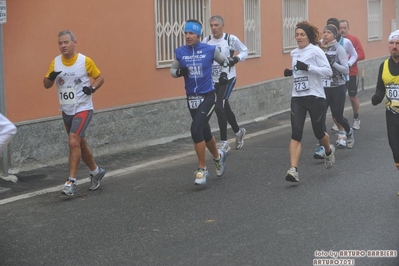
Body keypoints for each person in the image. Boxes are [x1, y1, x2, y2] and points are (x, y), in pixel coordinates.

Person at [43, 30, 106, 196]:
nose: (63, 46)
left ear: (74, 43)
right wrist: (50, 76)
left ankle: (71, 181)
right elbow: (46, 84)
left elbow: (100, 78)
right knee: (80, 144)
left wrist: (91, 88)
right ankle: (96, 171)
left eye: (66, 42)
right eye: (60, 43)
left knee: (73, 142)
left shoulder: (84, 61)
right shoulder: (55, 62)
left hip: (83, 108)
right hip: (66, 109)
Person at [170, 19, 228, 186]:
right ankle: (218, 157)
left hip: (208, 96)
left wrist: (223, 75)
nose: (188, 36)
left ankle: (202, 169)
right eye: (186, 33)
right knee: (204, 131)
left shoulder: (210, 49)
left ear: (198, 35)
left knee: (195, 129)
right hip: (192, 98)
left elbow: (225, 62)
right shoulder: (181, 52)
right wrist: (180, 71)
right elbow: (172, 71)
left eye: (191, 33)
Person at [283, 21, 335, 182]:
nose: (299, 37)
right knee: (296, 133)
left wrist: (308, 67)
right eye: (297, 34)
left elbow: (328, 72)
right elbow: (300, 71)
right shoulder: (293, 53)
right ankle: (293, 170)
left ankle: (328, 150)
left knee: (319, 132)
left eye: (302, 34)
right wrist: (291, 72)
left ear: (308, 36)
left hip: (315, 96)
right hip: (298, 97)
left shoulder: (316, 51)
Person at [202, 15, 248, 153]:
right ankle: (238, 132)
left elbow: (245, 50)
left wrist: (236, 58)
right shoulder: (207, 41)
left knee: (219, 107)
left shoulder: (230, 39)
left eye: (216, 25)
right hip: (213, 79)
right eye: (211, 25)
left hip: (228, 77)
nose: (214, 28)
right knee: (224, 106)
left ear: (222, 26)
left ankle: (224, 142)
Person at [320, 24, 354, 150]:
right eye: (324, 32)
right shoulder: (321, 49)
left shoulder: (339, 49)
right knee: (320, 117)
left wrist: (332, 62)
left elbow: (345, 70)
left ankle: (349, 131)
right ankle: (323, 147)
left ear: (334, 35)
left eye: (328, 32)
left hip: (337, 87)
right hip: (323, 87)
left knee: (337, 116)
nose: (325, 35)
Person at [371, 29, 399, 173]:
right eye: (392, 43)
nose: (394, 46)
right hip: (392, 114)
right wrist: (377, 97)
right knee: (396, 150)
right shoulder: (384, 65)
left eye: (397, 43)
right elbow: (380, 87)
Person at [325, 18, 358, 133]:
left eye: (331, 30)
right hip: (325, 83)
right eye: (326, 30)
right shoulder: (322, 44)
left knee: (338, 109)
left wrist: (348, 64)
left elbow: (355, 55)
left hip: (342, 79)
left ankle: (343, 131)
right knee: (323, 112)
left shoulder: (345, 43)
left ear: (336, 31)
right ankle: (326, 141)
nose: (326, 34)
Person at [340, 19, 366, 130]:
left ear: (348, 28)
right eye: (340, 28)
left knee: (353, 98)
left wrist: (348, 58)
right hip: (339, 75)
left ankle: (356, 119)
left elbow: (361, 54)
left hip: (352, 73)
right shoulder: (335, 40)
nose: (342, 30)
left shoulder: (354, 39)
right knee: (338, 99)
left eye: (344, 28)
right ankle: (339, 121)